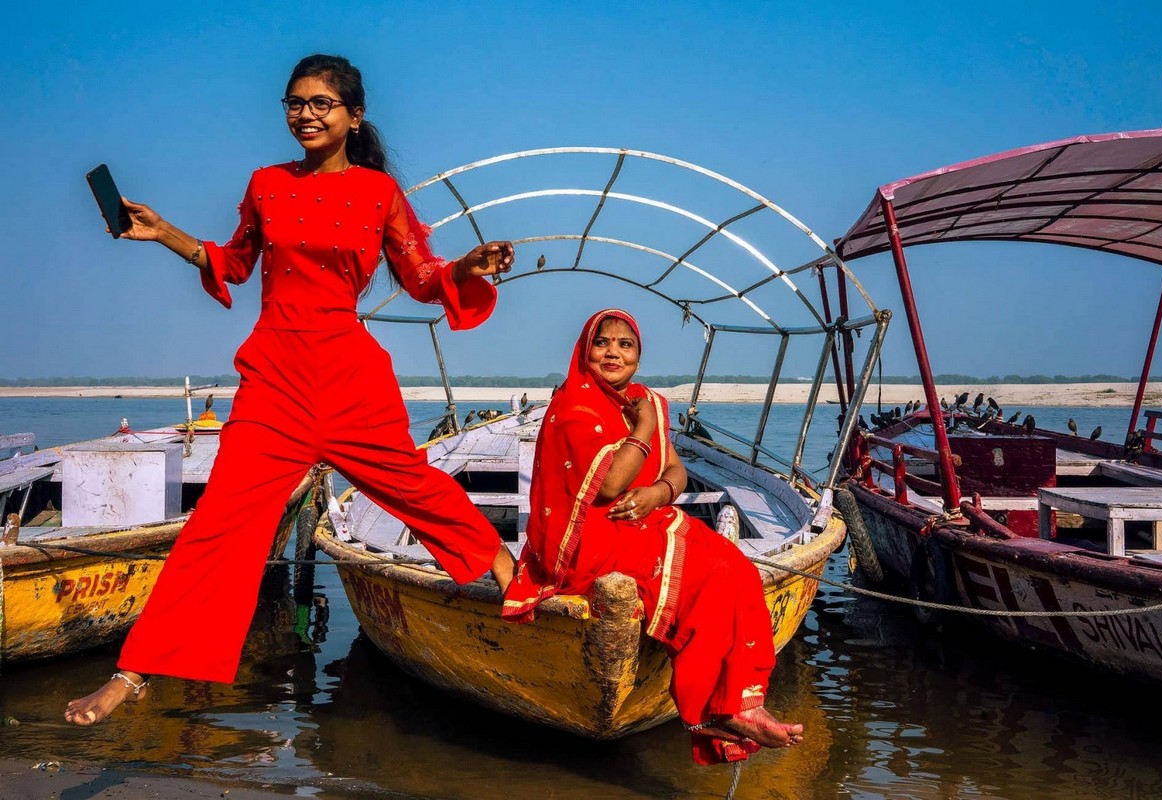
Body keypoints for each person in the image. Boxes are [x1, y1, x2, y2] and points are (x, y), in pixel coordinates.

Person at [66, 54, 516, 726]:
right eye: (295, 102)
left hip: (349, 375)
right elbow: (236, 261)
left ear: (353, 115)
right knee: (219, 523)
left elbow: (421, 275)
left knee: (414, 485)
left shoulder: (378, 193)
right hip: (275, 376)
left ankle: (513, 577)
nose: (306, 114)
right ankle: (134, 673)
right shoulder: (266, 184)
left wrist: (468, 265)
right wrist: (161, 232)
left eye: (322, 103)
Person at [501, 308, 803, 764]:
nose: (613, 352)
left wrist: (658, 493)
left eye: (626, 345)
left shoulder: (648, 402)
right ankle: (710, 708)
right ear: (586, 350)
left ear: (638, 358)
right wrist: (641, 430)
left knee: (735, 566)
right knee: (702, 575)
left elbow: (676, 469)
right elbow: (607, 486)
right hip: (586, 540)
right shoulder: (574, 406)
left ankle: (743, 701)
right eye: (603, 343)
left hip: (641, 521)